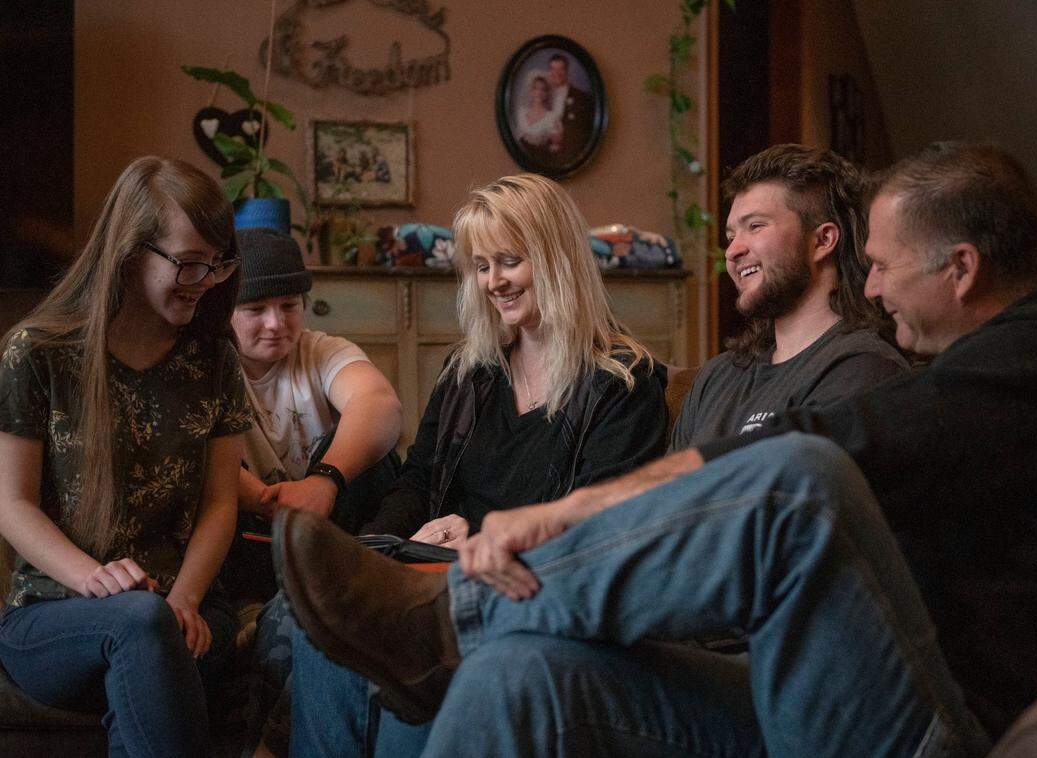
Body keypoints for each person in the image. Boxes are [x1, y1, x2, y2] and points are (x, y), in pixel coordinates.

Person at [274, 143, 1037, 757]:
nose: (871, 287)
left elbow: (835, 447)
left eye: (883, 265)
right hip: (804, 675)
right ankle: (464, 637)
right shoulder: (951, 377)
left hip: (938, 722)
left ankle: (448, 619)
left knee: (798, 480)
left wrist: (569, 509)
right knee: (522, 673)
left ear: (960, 267)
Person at [277, 173, 670, 756]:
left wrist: (479, 536)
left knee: (408, 672)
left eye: (510, 261)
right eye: (481, 266)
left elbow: (592, 531)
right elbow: (418, 478)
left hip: (525, 591)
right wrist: (393, 543)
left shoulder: (623, 383)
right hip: (433, 573)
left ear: (558, 260)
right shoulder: (470, 371)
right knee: (326, 634)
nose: (494, 282)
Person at [0, 156, 254, 757]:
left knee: (153, 634)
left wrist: (185, 599)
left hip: (187, 611)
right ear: (129, 250)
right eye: (189, 262)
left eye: (217, 264)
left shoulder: (212, 358)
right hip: (55, 615)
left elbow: (221, 504)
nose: (206, 278)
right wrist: (94, 578)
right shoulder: (37, 353)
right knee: (140, 624)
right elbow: (11, 504)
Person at [225, 227, 402, 755]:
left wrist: (323, 480)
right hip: (246, 539)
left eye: (289, 305)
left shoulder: (322, 351)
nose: (276, 323)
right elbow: (189, 450)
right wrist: (262, 498)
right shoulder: (206, 363)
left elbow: (381, 406)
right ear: (225, 308)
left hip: (329, 530)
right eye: (255, 308)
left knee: (372, 452)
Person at [671, 144, 907, 451]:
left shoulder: (864, 369)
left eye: (755, 227)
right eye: (731, 236)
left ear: (823, 240)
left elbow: (794, 491)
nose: (732, 251)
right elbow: (664, 493)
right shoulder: (717, 376)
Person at [546, 53, 595, 162]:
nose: (557, 74)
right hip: (545, 157)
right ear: (549, 72)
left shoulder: (582, 96)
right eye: (553, 69)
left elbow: (585, 128)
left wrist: (563, 136)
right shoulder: (543, 96)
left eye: (561, 69)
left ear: (567, 71)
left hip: (570, 155)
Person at [515, 72, 563, 162]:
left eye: (543, 89)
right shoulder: (520, 112)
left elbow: (555, 146)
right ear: (531, 91)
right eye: (536, 88)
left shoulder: (552, 117)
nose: (539, 92)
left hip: (539, 159)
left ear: (547, 93)